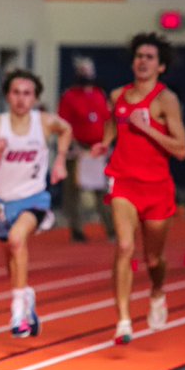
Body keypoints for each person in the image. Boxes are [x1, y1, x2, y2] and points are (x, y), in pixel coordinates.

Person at [91, 33, 185, 344]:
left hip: (157, 188)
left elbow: (182, 149)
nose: (142, 61)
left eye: (149, 57)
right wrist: (104, 142)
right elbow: (111, 122)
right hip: (123, 181)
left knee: (153, 259)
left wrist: (146, 128)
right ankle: (123, 321)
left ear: (160, 67)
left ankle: (158, 291)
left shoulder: (166, 100)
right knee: (123, 246)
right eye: (139, 56)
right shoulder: (117, 95)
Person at [0, 70, 71, 338]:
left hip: (34, 199)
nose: (21, 99)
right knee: (13, 260)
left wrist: (60, 159)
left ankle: (16, 310)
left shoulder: (44, 122)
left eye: (27, 93)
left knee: (16, 239)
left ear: (35, 97)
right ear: (7, 96)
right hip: (3, 203)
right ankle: (26, 297)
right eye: (16, 93)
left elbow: (67, 129)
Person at [58, 56, 114, 242]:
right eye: (83, 71)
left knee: (103, 191)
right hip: (78, 149)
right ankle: (77, 229)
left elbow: (108, 121)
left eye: (88, 71)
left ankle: (111, 228)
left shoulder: (99, 94)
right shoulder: (70, 96)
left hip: (97, 149)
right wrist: (72, 144)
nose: (86, 74)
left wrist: (106, 144)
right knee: (74, 192)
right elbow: (63, 123)